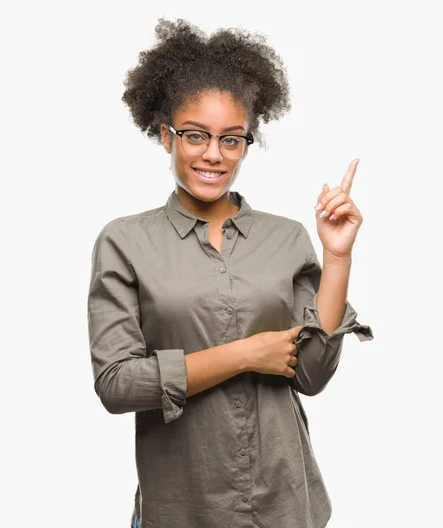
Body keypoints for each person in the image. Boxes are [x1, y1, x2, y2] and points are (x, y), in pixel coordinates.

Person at [87, 17, 374, 528]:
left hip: (284, 505)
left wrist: (337, 257)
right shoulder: (124, 241)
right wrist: (245, 354)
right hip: (182, 508)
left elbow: (310, 374)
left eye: (232, 139)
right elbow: (116, 384)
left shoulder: (285, 238)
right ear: (165, 135)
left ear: (247, 143)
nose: (213, 155)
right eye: (195, 136)